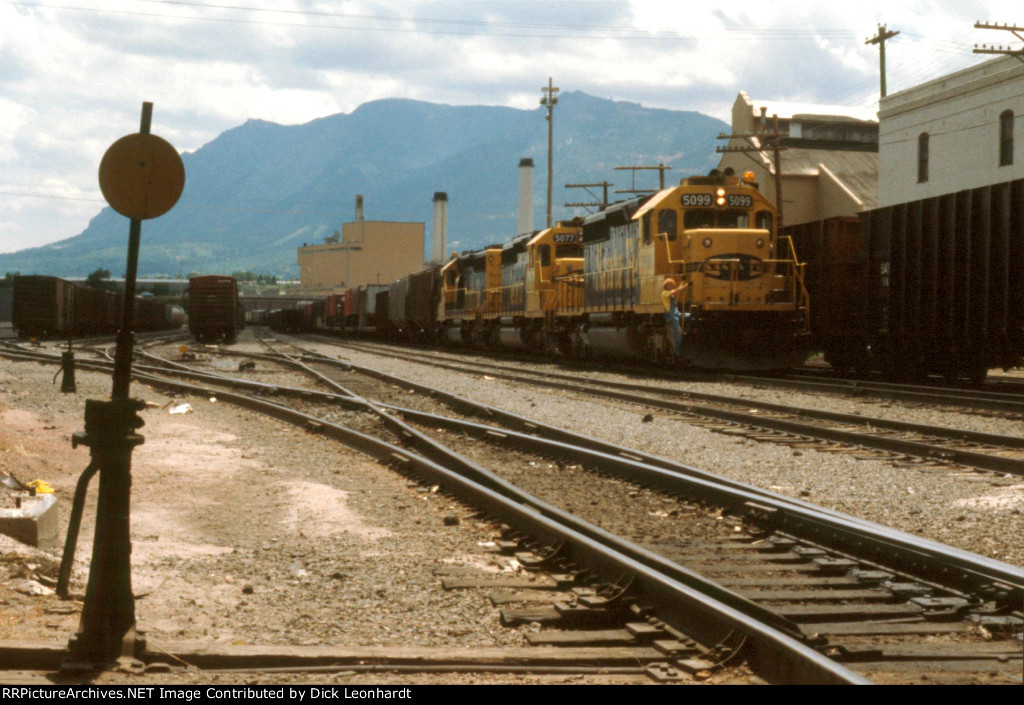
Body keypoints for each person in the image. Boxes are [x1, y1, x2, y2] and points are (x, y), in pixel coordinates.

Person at [661, 277, 689, 357]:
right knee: (678, 333)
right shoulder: (665, 293)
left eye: (671, 285)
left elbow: (677, 291)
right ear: (665, 286)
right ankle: (677, 351)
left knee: (688, 316)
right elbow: (676, 291)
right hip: (670, 315)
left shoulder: (672, 295)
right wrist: (687, 285)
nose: (670, 286)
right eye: (668, 285)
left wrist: (682, 281)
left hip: (675, 313)